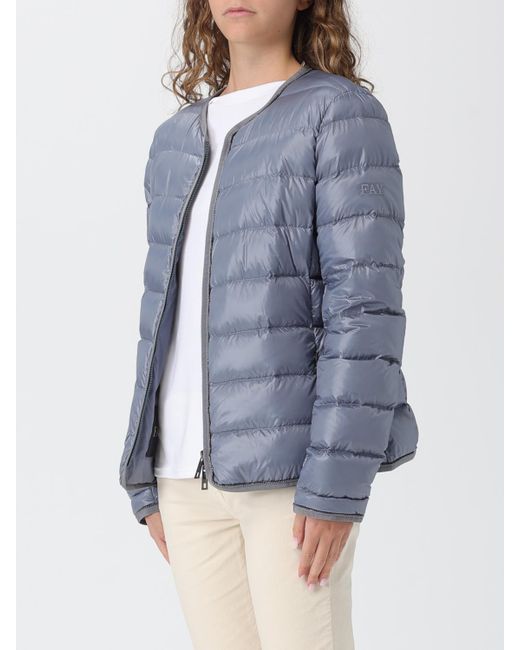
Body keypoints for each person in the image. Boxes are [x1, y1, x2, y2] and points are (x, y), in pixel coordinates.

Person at [119, 1, 419, 648]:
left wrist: (335, 483)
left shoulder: (339, 115)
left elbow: (365, 308)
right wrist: (144, 474)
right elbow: (160, 313)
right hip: (183, 478)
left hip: (293, 476)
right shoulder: (174, 139)